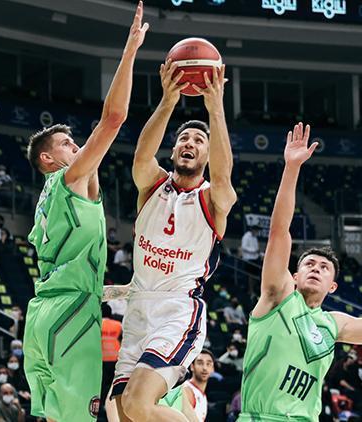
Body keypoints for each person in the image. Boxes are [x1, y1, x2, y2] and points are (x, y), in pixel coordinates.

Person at [237, 123, 362, 421]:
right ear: (293, 276)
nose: (316, 269)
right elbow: (279, 232)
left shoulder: (333, 324)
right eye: (308, 264)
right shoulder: (278, 296)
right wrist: (292, 168)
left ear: (332, 286)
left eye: (324, 268)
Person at [21, 6, 146, 422]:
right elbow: (113, 119)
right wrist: (129, 52)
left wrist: (113, 291)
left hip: (42, 314)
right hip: (71, 315)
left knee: (55, 416)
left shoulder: (46, 201)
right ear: (47, 157)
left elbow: (62, 269)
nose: (75, 145)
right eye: (66, 142)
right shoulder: (69, 179)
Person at [112, 58, 237, 422]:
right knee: (120, 413)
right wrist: (168, 100)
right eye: (184, 137)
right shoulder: (151, 185)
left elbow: (225, 173)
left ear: (207, 154)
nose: (190, 143)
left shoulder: (214, 199)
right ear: (173, 149)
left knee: (137, 403)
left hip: (177, 311)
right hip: (137, 311)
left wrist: (215, 110)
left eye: (199, 141)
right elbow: (141, 155)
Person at [160, 350, 215, 422]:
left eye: (208, 364)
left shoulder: (203, 395)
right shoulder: (187, 390)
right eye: (200, 363)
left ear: (213, 369)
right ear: (192, 367)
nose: (204, 367)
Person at [102, 303, 123, 405]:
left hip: (102, 358)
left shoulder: (98, 324)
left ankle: (101, 405)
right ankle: (110, 403)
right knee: (111, 384)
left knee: (101, 383)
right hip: (114, 357)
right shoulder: (117, 325)